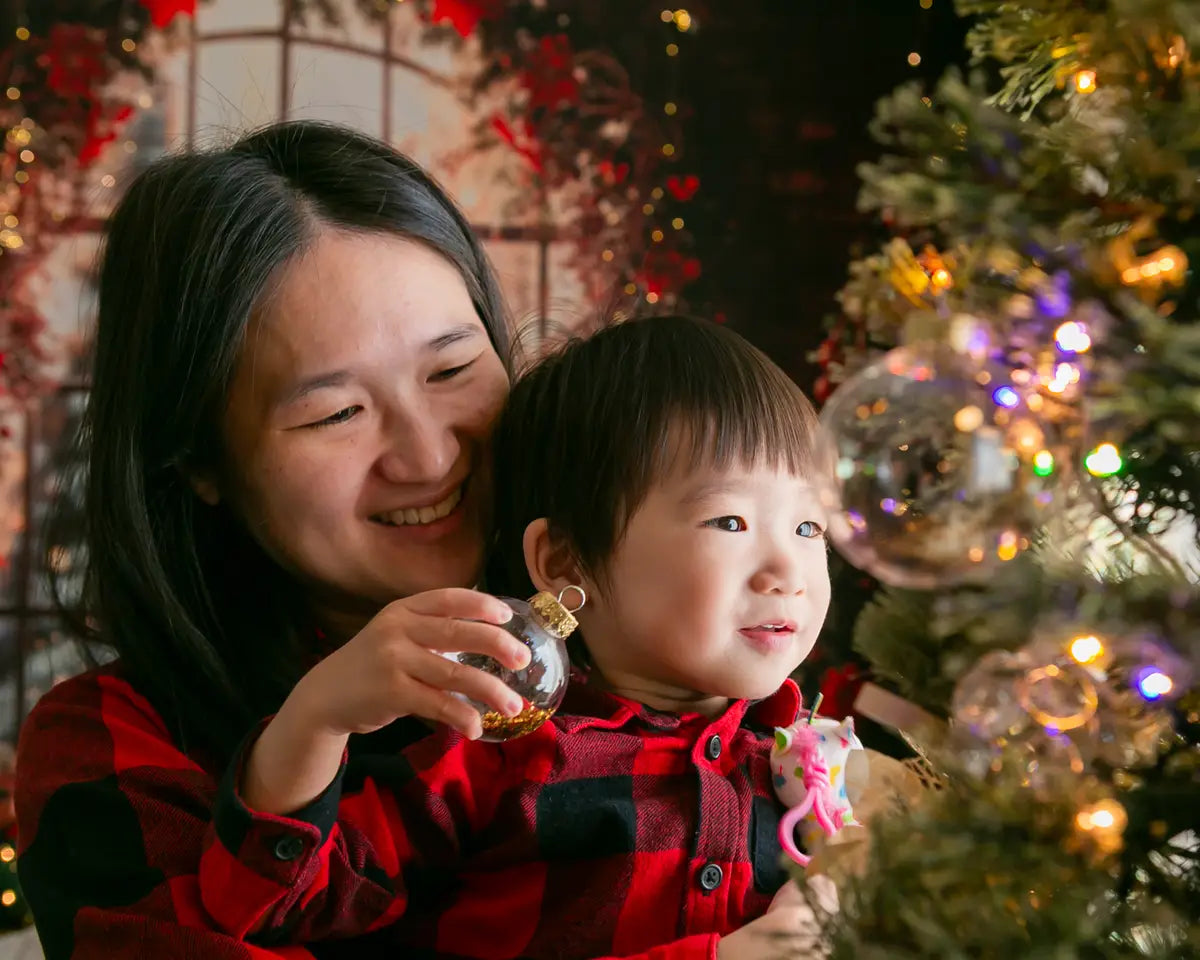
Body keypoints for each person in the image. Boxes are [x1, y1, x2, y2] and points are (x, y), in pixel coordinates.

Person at [14, 119, 538, 959]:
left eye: (452, 370)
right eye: (336, 413)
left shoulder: (633, 647)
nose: (430, 455)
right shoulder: (112, 750)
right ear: (199, 462)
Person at [197, 315, 838, 960]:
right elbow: (273, 905)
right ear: (565, 565)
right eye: (729, 520)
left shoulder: (802, 769)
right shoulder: (497, 754)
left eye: (809, 527)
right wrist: (314, 720)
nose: (788, 573)